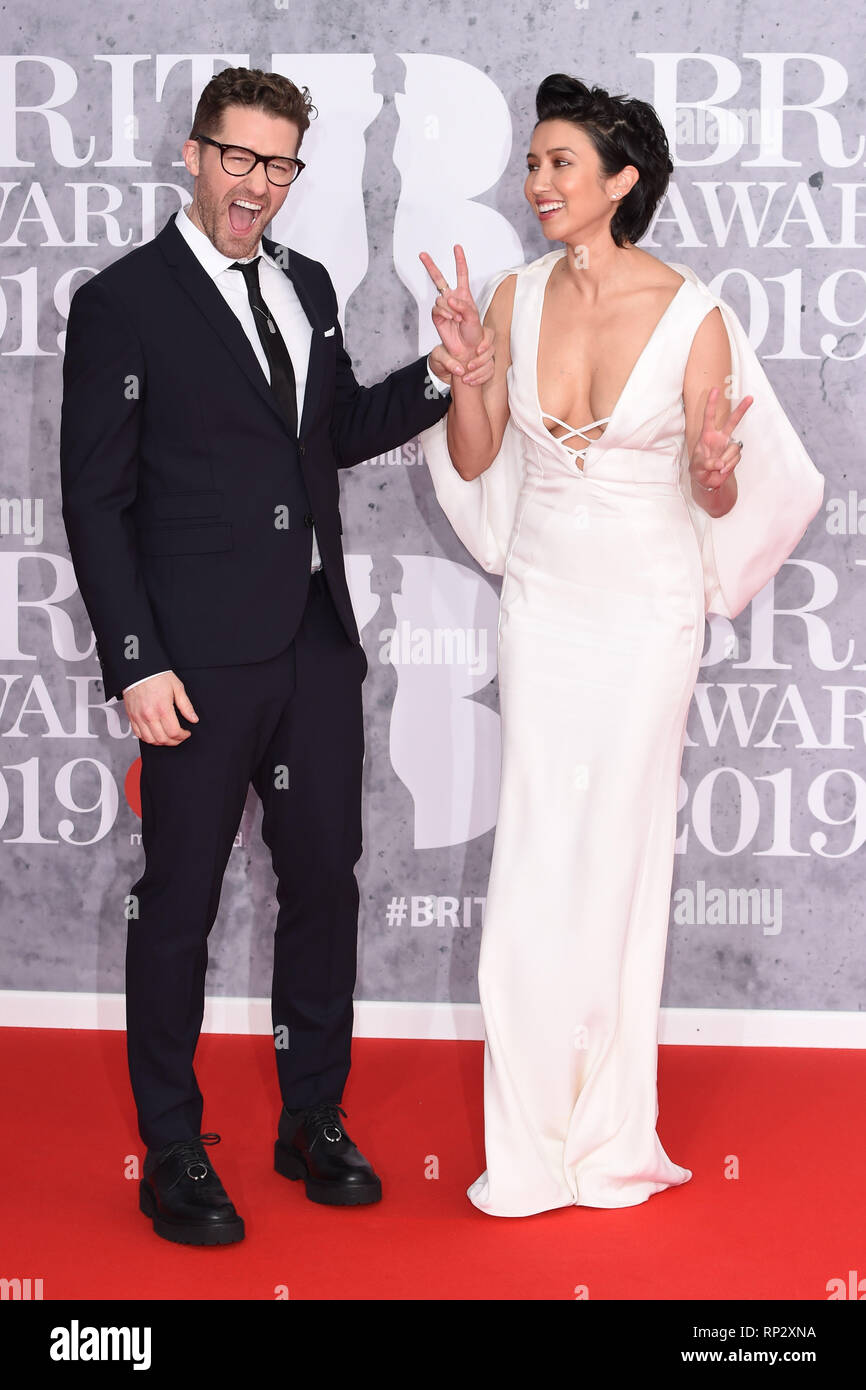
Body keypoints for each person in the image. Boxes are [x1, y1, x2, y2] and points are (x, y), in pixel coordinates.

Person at [60, 66, 491, 1245]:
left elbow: (332, 433)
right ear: (192, 156)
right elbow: (94, 503)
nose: (257, 184)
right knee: (181, 904)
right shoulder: (124, 302)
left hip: (312, 647)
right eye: (238, 158)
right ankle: (172, 1148)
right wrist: (136, 661)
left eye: (278, 165)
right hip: (192, 665)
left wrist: (440, 374)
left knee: (321, 887)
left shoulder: (304, 284)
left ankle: (312, 1117)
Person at [419, 73, 823, 1216]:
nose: (536, 181)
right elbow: (474, 453)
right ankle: (530, 1143)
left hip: (647, 613)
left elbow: (720, 480)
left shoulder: (692, 313)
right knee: (537, 855)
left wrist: (708, 468)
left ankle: (605, 1135)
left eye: (558, 164)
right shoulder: (508, 295)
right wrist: (468, 378)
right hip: (544, 602)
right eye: (534, 163)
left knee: (619, 860)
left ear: (620, 181)